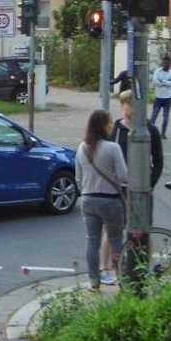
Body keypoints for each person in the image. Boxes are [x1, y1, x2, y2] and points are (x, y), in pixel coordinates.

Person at [98, 90, 164, 284]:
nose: (132, 109)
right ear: (122, 106)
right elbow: (105, 159)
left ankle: (147, 267)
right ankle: (104, 268)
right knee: (111, 229)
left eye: (135, 104)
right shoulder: (114, 130)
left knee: (144, 229)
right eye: (128, 104)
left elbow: (158, 161)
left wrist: (150, 185)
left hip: (142, 190)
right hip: (118, 189)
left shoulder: (150, 130)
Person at [76, 110, 128, 290]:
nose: (112, 126)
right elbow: (123, 176)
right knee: (115, 240)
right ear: (104, 125)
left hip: (88, 199)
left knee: (92, 241)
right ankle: (121, 279)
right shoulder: (113, 148)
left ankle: (94, 281)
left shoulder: (82, 147)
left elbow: (78, 178)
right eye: (110, 123)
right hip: (110, 200)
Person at [150, 55, 171, 139]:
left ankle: (163, 133)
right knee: (154, 115)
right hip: (158, 96)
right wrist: (166, 82)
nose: (166, 65)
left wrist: (162, 81)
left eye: (168, 63)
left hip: (168, 97)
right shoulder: (157, 71)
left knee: (166, 117)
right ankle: (150, 132)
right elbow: (155, 82)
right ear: (162, 63)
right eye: (165, 63)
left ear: (170, 64)